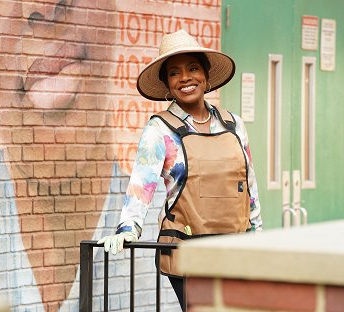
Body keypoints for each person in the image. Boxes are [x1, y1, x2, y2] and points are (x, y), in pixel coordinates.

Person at [98, 29, 263, 310]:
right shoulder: (160, 129)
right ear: (167, 85)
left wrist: (259, 232)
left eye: (193, 68)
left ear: (207, 76)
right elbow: (142, 184)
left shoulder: (234, 125)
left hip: (235, 251)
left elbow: (248, 185)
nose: (185, 77)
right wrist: (128, 228)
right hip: (188, 252)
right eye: (174, 73)